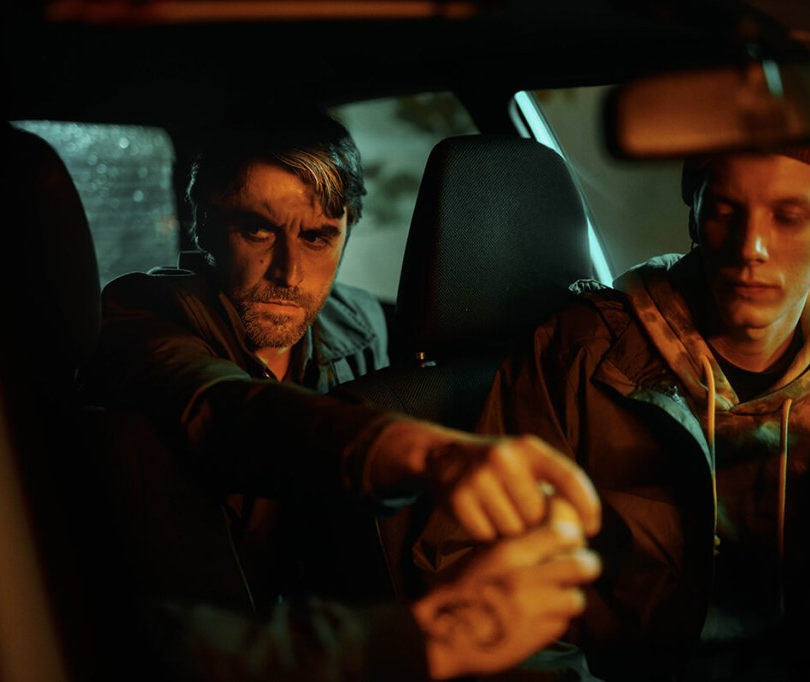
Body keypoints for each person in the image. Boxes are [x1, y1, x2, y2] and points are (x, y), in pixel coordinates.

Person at [76, 107, 604, 680]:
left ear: (347, 232)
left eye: (317, 237)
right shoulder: (140, 316)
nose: (288, 272)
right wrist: (422, 453)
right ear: (202, 223)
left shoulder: (361, 325)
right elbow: (222, 408)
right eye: (257, 230)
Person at [420, 137, 810, 680]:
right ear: (693, 213)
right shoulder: (580, 357)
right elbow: (474, 580)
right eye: (724, 211)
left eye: (788, 218)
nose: (751, 247)